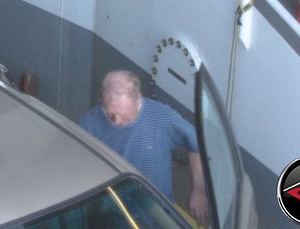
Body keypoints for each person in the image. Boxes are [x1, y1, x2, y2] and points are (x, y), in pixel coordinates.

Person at [80, 70, 209, 227]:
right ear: (102, 100)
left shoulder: (163, 118)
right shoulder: (89, 125)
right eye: (110, 114)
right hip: (112, 217)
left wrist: (199, 190)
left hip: (157, 214)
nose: (117, 121)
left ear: (138, 99)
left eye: (124, 115)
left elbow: (196, 145)